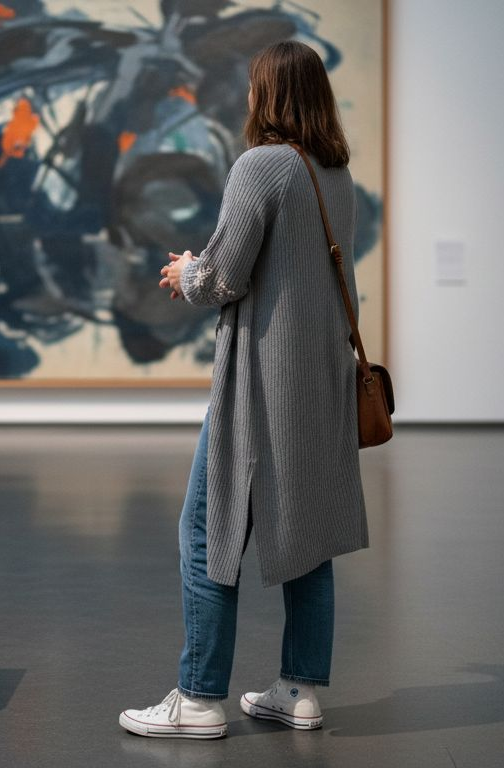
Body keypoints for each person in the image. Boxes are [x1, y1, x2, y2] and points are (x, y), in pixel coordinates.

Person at [118, 40, 368, 740]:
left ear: (270, 96)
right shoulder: (335, 173)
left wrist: (185, 273)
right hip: (321, 382)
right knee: (308, 539)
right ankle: (299, 689)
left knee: (205, 531)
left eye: (256, 87)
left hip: (260, 385)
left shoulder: (259, 167)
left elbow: (224, 279)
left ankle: (198, 700)